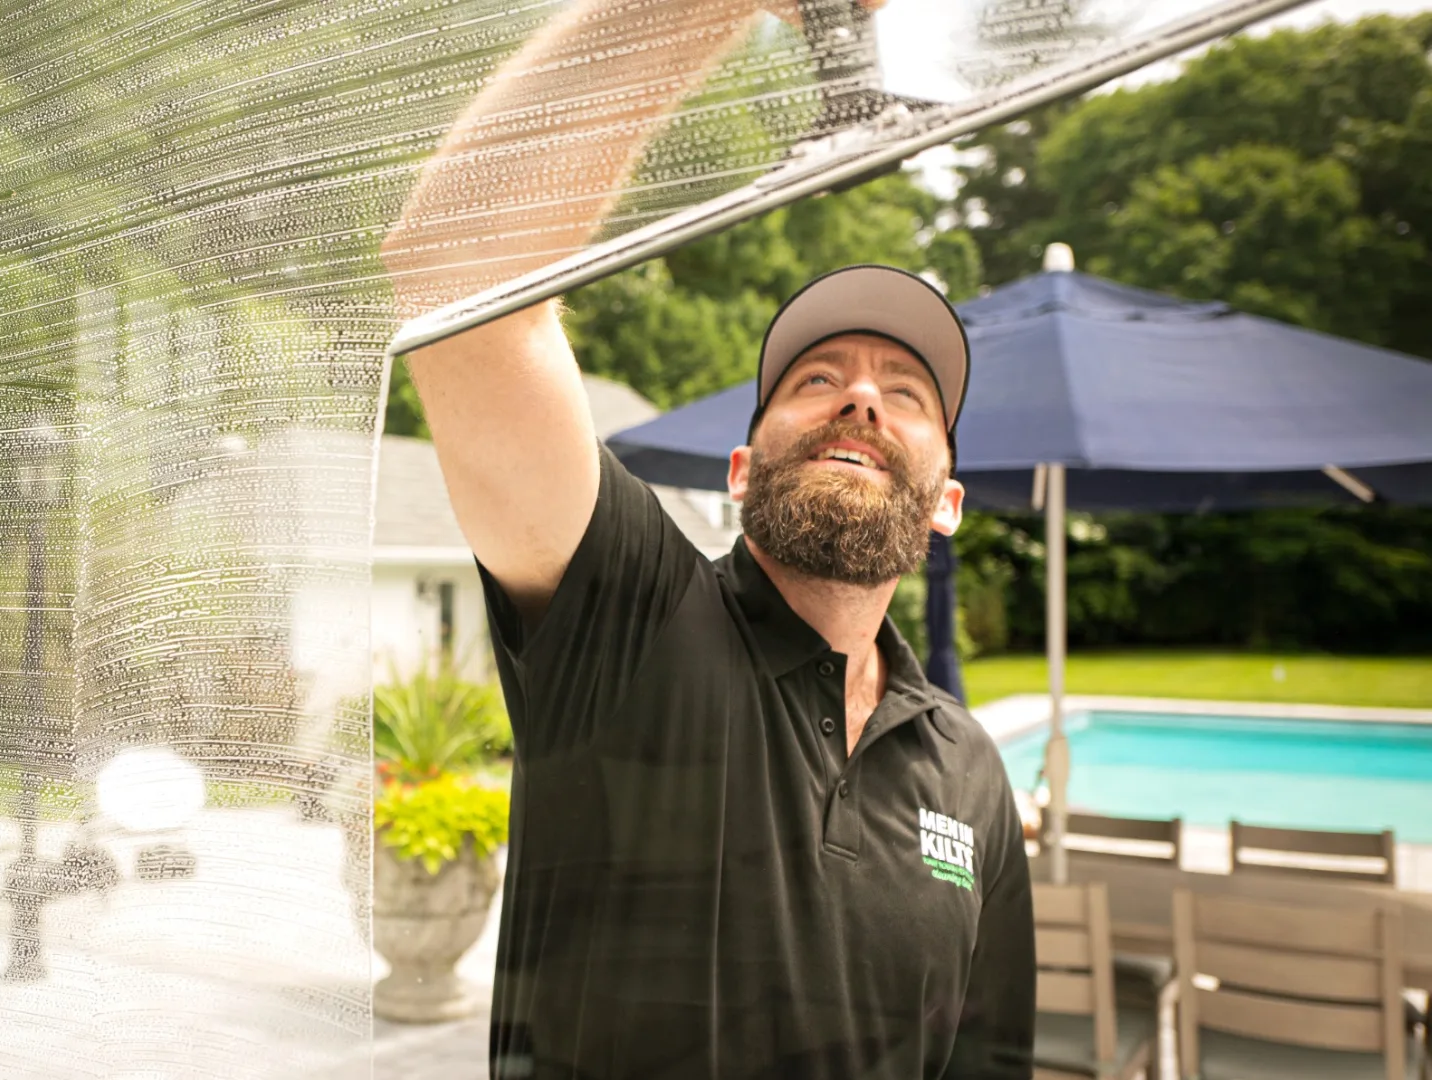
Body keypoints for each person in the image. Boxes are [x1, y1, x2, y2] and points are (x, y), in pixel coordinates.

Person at [381, 0, 1034, 1077]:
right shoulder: (633, 614)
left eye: (906, 392)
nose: (860, 399)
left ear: (947, 503)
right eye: (815, 381)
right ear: (742, 474)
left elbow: (989, 1060)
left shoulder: (967, 770)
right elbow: (457, 275)